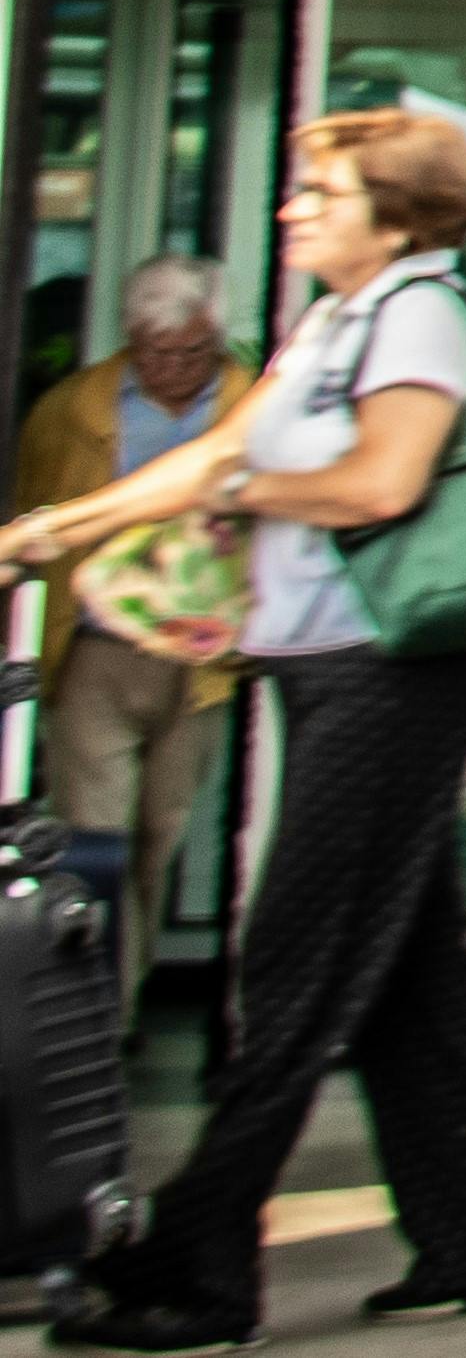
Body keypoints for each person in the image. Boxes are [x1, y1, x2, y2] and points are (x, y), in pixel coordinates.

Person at [0, 115, 466, 1349]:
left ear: (398, 215)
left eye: (323, 191)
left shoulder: (418, 313)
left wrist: (246, 493)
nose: (294, 208)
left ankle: (201, 1276)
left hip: (392, 678)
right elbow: (210, 461)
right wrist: (50, 530)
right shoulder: (333, 324)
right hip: (332, 676)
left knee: (291, 974)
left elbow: (379, 482)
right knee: (408, 972)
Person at [13, 261, 240, 996]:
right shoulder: (71, 409)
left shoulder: (250, 404)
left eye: (191, 352)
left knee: (158, 837)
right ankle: (104, 1026)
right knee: (91, 839)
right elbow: (31, 516)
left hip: (199, 661)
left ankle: (123, 989)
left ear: (216, 338)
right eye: (155, 351)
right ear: (129, 339)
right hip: (95, 654)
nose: (172, 367)